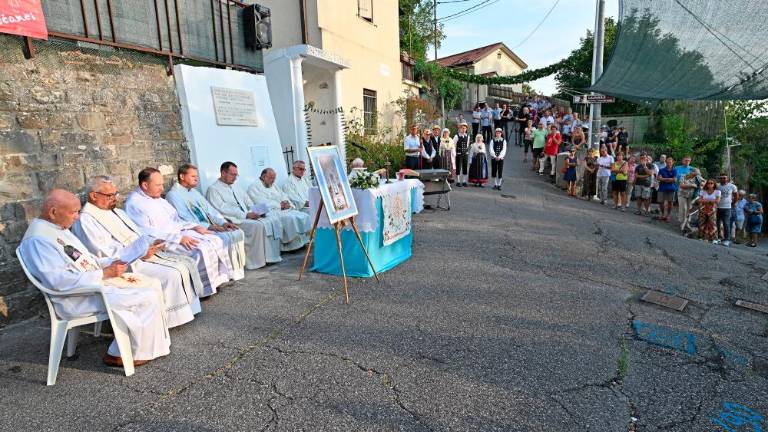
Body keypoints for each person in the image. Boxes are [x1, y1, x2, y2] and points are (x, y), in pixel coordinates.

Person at [19, 189, 170, 367]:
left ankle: (143, 346)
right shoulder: (38, 240)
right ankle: (122, 353)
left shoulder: (59, 228)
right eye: (74, 212)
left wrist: (111, 262)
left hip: (89, 285)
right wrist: (104, 274)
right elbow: (57, 281)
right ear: (53, 212)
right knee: (144, 295)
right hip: (75, 297)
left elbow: (86, 260)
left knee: (151, 285)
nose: (77, 217)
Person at [72, 176, 202, 328]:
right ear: (94, 196)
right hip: (125, 265)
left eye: (116, 194)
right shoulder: (86, 220)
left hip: (141, 256)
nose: (115, 198)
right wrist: (138, 253)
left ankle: (184, 313)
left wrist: (151, 243)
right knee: (172, 273)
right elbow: (102, 252)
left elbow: (137, 233)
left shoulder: (118, 212)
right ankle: (167, 320)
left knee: (186, 263)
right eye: (110, 195)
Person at [125, 167, 235, 297]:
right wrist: (179, 238)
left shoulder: (157, 198)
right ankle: (202, 289)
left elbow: (175, 220)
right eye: (158, 185)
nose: (162, 188)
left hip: (178, 232)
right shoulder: (134, 203)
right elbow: (146, 231)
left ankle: (216, 281)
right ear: (145, 185)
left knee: (215, 239)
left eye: (162, 184)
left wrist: (194, 226)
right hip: (164, 241)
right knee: (200, 248)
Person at [166, 164, 252, 276]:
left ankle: (232, 271)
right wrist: (208, 226)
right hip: (194, 229)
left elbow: (210, 210)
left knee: (236, 232)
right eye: (193, 176)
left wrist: (223, 222)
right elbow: (185, 217)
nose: (196, 179)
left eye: (196, 176)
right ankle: (219, 274)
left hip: (208, 225)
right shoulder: (174, 195)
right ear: (182, 176)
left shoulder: (194, 192)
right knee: (223, 237)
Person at [207, 162, 282, 263]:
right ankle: (256, 261)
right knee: (258, 226)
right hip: (233, 220)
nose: (235, 177)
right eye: (232, 174)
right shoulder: (213, 189)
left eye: (236, 175)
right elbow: (222, 208)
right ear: (223, 173)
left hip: (246, 215)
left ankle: (270, 257)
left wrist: (257, 211)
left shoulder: (236, 186)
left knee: (272, 219)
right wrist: (245, 215)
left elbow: (248, 200)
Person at [248, 168, 310, 251]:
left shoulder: (273, 185)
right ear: (263, 176)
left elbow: (282, 195)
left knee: (303, 216)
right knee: (290, 219)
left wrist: (287, 203)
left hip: (283, 209)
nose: (273, 181)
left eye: (274, 178)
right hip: (271, 211)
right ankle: (290, 246)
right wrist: (279, 205)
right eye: (271, 178)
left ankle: (302, 242)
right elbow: (259, 202)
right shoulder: (254, 187)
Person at [716, 173, 738, 246]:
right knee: (717, 223)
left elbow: (736, 195)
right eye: (721, 178)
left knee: (726, 223)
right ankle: (718, 237)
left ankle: (727, 239)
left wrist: (733, 203)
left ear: (727, 178)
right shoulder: (717, 186)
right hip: (717, 207)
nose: (722, 179)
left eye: (724, 178)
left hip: (727, 207)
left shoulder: (732, 186)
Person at [656, 157, 678, 222]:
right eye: (667, 162)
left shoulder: (674, 170)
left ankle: (668, 215)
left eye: (670, 162)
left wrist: (664, 179)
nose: (669, 164)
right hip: (662, 188)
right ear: (666, 162)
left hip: (671, 188)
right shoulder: (661, 170)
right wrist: (669, 179)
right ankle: (663, 214)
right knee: (660, 202)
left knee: (670, 202)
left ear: (672, 162)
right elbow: (658, 178)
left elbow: (674, 179)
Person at [453, 122, 471, 187]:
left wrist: (466, 152)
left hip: (465, 154)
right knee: (458, 167)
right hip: (459, 153)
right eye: (462, 128)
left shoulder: (468, 136)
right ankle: (458, 181)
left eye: (464, 128)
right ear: (460, 129)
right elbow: (453, 145)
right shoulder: (456, 136)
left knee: (465, 167)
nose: (463, 130)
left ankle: (464, 181)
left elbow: (467, 145)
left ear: (466, 129)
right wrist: (455, 154)